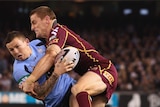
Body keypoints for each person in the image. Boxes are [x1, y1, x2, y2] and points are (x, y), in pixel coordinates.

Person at [22, 6, 118, 107]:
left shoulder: (57, 30)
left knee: (77, 89)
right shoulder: (49, 41)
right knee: (74, 99)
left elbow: (51, 55)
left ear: (46, 20)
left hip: (103, 70)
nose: (32, 28)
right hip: (93, 75)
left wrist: (31, 79)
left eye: (34, 22)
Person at [5, 31, 78, 107]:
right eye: (11, 50)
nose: (16, 52)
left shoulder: (37, 43)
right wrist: (56, 74)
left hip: (71, 85)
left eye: (17, 46)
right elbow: (41, 94)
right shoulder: (19, 71)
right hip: (57, 102)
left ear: (27, 42)